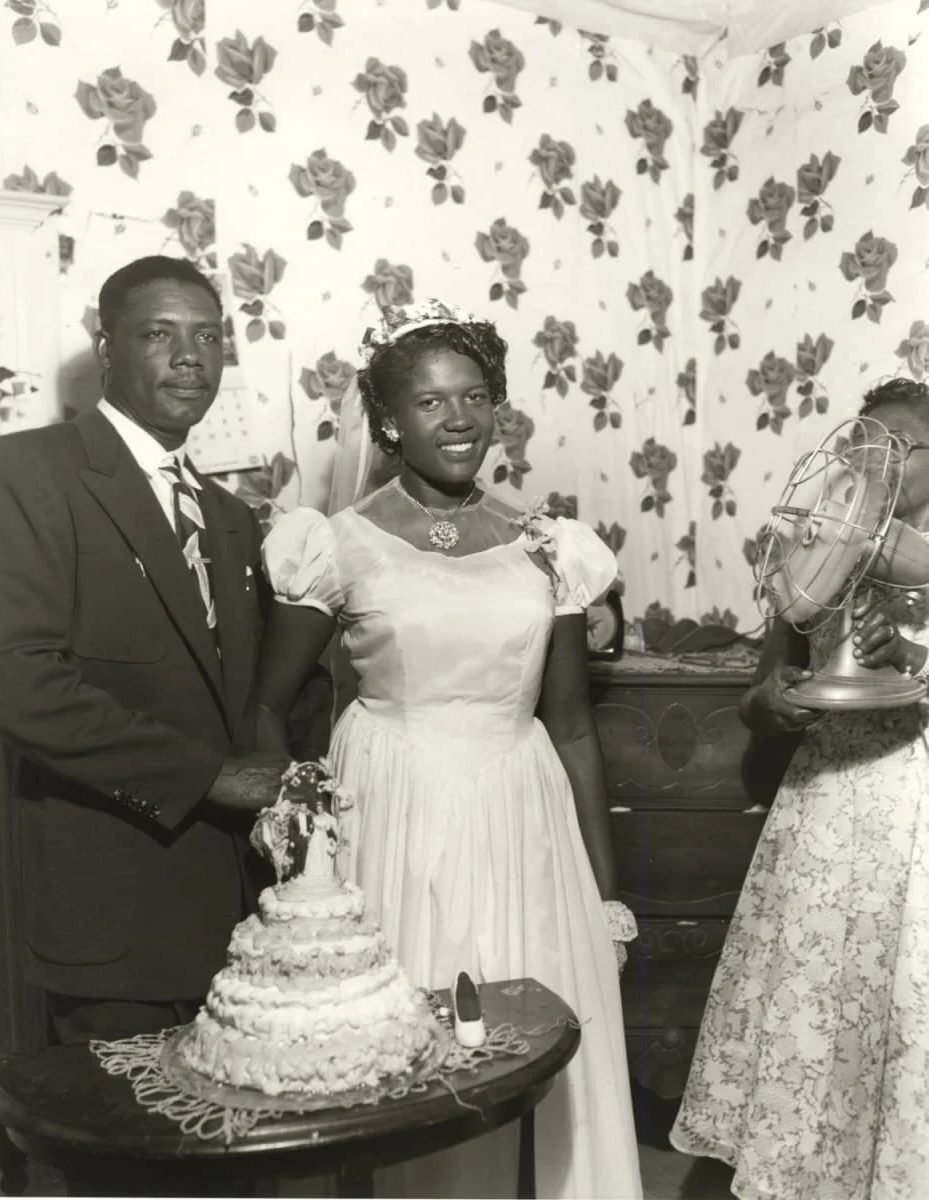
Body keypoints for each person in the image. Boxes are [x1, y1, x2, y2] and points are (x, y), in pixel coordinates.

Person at [253, 299, 642, 1199]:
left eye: (476, 398)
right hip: (389, 802)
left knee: (534, 1034)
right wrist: (293, 854)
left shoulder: (550, 549)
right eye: (430, 403)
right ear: (388, 420)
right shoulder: (334, 545)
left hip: (522, 805)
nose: (460, 419)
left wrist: (607, 891)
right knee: (402, 1049)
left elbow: (575, 727)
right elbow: (267, 709)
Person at [0, 255, 292, 1055]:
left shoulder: (229, 516)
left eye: (207, 336)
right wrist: (212, 777)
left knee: (233, 1161)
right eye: (159, 334)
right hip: (109, 920)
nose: (190, 356)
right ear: (106, 349)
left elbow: (251, 693)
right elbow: (18, 681)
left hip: (233, 919)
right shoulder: (24, 474)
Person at [671, 377, 929, 1199]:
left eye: (900, 449)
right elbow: (759, 692)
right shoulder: (818, 551)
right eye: (864, 445)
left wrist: (912, 658)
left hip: (913, 809)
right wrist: (776, 702)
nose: (876, 464)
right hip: (826, 808)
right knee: (821, 1005)